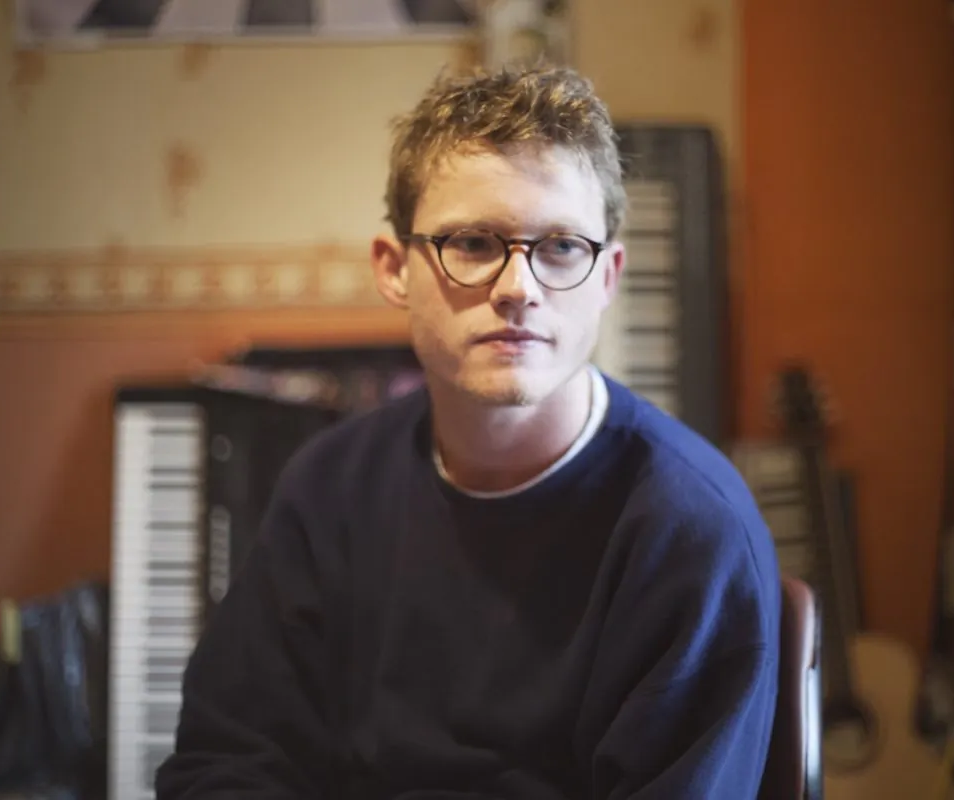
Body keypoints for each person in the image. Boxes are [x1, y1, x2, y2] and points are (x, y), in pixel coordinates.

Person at [155, 62, 781, 800]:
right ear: (394, 268)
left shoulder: (691, 532)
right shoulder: (329, 487)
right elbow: (224, 760)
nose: (519, 288)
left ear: (608, 277)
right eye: (475, 243)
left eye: (561, 247)